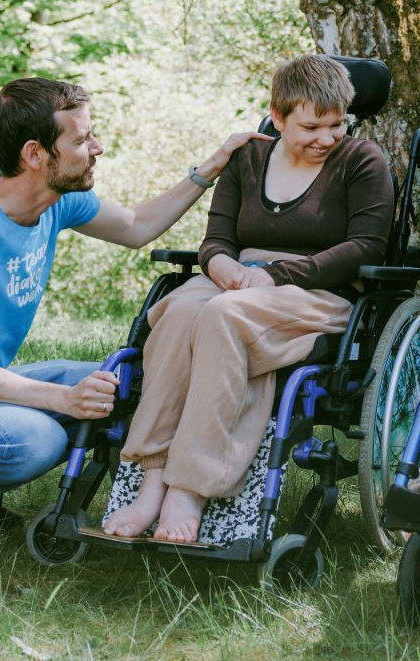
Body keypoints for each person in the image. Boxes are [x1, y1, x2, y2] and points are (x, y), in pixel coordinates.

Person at [0, 78, 264, 558]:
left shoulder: (58, 202)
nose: (97, 148)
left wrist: (213, 167)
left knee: (123, 385)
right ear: (35, 154)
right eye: (81, 140)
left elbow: (137, 228)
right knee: (35, 440)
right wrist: (63, 399)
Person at [98, 55, 393, 543]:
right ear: (277, 118)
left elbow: (365, 247)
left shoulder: (362, 161)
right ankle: (152, 476)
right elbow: (215, 239)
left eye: (337, 124)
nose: (326, 137)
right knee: (176, 311)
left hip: (317, 289)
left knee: (221, 315)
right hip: (236, 279)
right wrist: (223, 267)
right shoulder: (249, 159)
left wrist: (277, 275)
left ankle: (189, 487)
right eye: (311, 126)